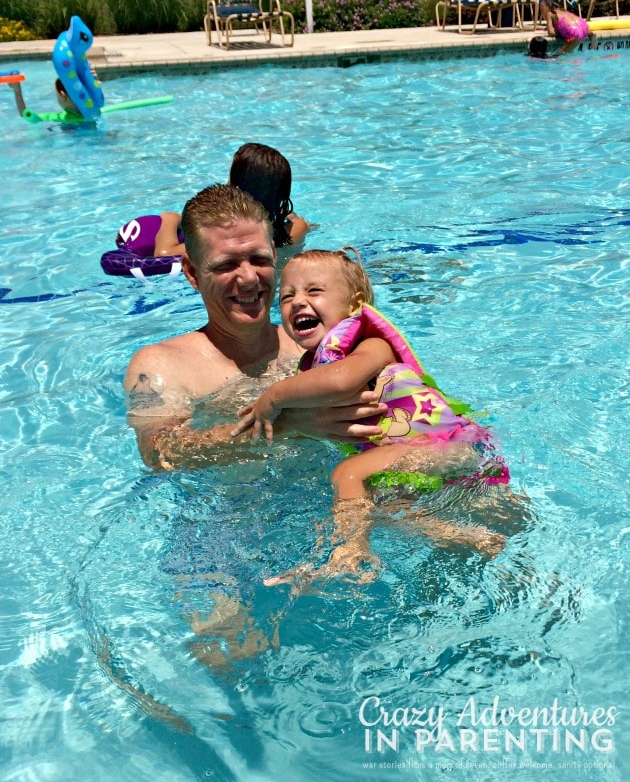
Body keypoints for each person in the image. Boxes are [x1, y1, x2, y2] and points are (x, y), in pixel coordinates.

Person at [231, 247, 510, 581]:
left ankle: (349, 554)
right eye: (286, 296)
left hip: (449, 446)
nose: (297, 302)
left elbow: (341, 381)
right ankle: (467, 537)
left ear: (354, 304)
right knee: (383, 509)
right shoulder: (314, 367)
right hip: (419, 453)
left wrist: (273, 398)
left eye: (314, 290)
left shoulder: (371, 346)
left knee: (348, 474)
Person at [123, 184, 385, 472]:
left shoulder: (313, 340)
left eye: (259, 260)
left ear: (274, 254)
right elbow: (159, 454)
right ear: (192, 273)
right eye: (227, 265)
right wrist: (287, 424)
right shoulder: (162, 365)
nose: (249, 278)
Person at [119, 142, 310, 259]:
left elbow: (164, 253)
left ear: (236, 186)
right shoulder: (298, 228)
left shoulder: (225, 239)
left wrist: (170, 220)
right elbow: (296, 220)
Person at [8, 77, 86, 124]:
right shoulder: (96, 111)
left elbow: (26, 115)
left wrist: (17, 90)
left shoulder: (61, 117)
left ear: (62, 95)